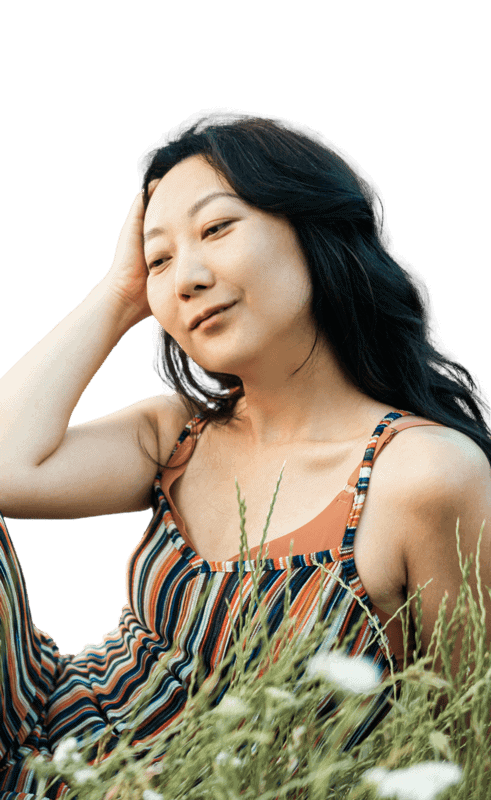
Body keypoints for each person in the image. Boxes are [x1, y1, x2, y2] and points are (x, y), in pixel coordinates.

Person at [0, 111, 490, 797]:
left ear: (311, 227)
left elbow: (466, 744)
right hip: (52, 734)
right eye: (159, 258)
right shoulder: (183, 431)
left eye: (217, 228)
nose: (186, 277)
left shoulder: (424, 475)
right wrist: (116, 294)